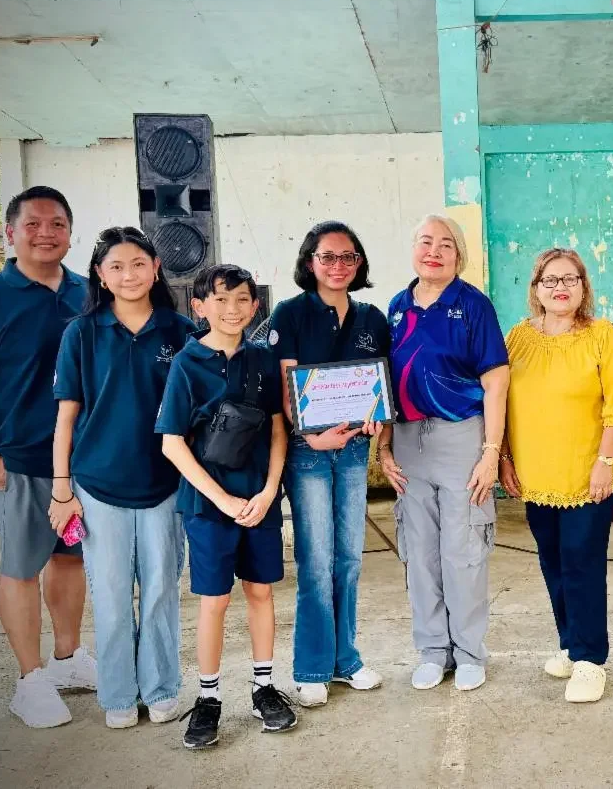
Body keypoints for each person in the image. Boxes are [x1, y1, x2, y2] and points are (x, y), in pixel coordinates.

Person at [0, 186, 96, 728]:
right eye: (33, 224)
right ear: (11, 232)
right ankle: (29, 680)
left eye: (57, 223)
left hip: (83, 463)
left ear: (70, 232)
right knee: (21, 567)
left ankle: (68, 657)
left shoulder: (88, 291)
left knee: (69, 558)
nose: (46, 233)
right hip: (20, 461)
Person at [51, 227, 195, 729]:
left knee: (159, 591)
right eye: (116, 266)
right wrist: (61, 487)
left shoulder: (180, 331)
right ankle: (117, 697)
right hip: (97, 487)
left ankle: (160, 688)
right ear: (100, 275)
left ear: (156, 267)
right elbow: (67, 415)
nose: (129, 275)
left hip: (164, 485)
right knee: (111, 595)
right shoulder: (82, 333)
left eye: (138, 263)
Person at [156, 265, 294, 749]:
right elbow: (173, 443)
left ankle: (263, 687)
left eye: (242, 300)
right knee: (213, 601)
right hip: (209, 507)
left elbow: (278, 429)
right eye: (220, 300)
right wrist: (224, 499)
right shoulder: (186, 364)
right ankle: (209, 697)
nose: (231, 309)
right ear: (199, 307)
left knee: (261, 594)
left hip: (259, 502)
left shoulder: (262, 360)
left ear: (256, 306)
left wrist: (268, 491)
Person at [377, 214, 510, 692]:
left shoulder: (473, 305)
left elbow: (496, 381)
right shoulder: (396, 306)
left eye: (446, 244)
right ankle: (433, 650)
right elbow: (385, 384)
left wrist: (491, 452)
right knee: (419, 551)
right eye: (425, 242)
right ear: (413, 249)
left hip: (461, 438)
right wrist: (385, 444)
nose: (434, 251)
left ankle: (471, 652)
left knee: (464, 549)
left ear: (459, 255)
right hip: (410, 440)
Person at [499, 249, 613, 703]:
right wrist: (504, 457)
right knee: (552, 562)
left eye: (570, 279)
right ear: (536, 288)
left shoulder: (603, 337)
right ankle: (570, 643)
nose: (561, 287)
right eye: (551, 280)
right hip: (536, 474)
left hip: (587, 474)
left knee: (582, 565)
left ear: (583, 287)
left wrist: (605, 463)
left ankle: (591, 660)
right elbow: (499, 402)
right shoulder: (517, 338)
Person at [268, 222, 390, 707]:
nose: (338, 265)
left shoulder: (372, 318)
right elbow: (286, 385)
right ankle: (312, 666)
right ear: (310, 262)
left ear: (358, 263)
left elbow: (378, 384)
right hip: (308, 453)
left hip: (355, 450)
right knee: (316, 563)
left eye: (348, 256)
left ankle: (347, 659)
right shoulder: (291, 313)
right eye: (328, 257)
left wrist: (378, 420)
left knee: (350, 559)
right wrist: (310, 436)